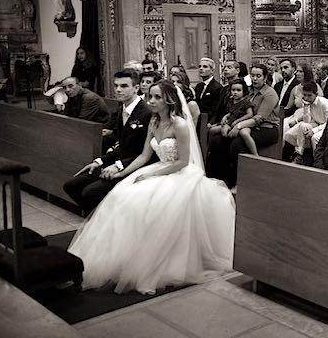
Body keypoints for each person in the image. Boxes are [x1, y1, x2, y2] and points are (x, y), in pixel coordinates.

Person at [67, 80, 235, 295]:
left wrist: (152, 174)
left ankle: (157, 262)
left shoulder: (180, 125)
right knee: (121, 195)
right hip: (157, 168)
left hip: (179, 173)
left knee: (153, 204)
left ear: (169, 99)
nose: (151, 101)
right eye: (150, 97)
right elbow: (145, 155)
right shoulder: (154, 123)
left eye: (157, 97)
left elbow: (183, 161)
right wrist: (123, 174)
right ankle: (125, 257)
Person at [64, 70, 151, 215]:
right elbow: (120, 145)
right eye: (116, 85)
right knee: (71, 185)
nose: (118, 90)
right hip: (118, 161)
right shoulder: (121, 109)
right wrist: (99, 161)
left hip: (136, 166)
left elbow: (144, 153)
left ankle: (110, 219)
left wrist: (118, 166)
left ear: (136, 88)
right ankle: (103, 218)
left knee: (89, 193)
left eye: (123, 86)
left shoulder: (146, 113)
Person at [206, 64, 279, 188]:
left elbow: (259, 119)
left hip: (267, 129)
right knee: (217, 140)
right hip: (246, 126)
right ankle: (216, 179)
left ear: (265, 77)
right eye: (253, 76)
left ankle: (239, 183)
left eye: (258, 76)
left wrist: (238, 126)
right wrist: (227, 121)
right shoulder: (247, 91)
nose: (255, 79)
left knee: (237, 144)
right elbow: (237, 109)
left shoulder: (269, 93)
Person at [211, 80, 258, 156]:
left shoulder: (245, 102)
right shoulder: (231, 101)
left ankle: (255, 154)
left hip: (243, 124)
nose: (235, 92)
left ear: (244, 91)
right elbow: (231, 112)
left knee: (245, 135)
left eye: (238, 90)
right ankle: (209, 151)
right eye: (233, 90)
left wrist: (237, 122)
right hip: (230, 123)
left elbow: (250, 114)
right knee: (213, 130)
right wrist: (225, 116)